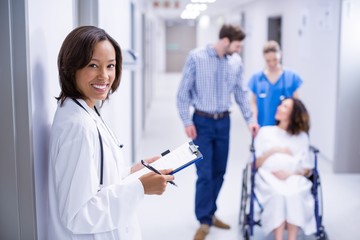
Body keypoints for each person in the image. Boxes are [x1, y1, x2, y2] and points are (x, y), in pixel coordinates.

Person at [48, 26, 175, 239]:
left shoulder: (87, 110)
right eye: (93, 65)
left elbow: (97, 180)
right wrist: (140, 187)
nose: (104, 76)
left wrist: (134, 172)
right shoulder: (78, 126)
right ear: (70, 68)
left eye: (111, 66)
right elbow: (78, 215)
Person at [176, 24, 259, 240]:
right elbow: (183, 93)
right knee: (204, 173)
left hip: (224, 123)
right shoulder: (197, 57)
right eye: (237, 45)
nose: (239, 50)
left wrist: (250, 119)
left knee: (219, 171)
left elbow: (241, 93)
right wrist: (187, 121)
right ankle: (204, 220)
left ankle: (211, 213)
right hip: (201, 122)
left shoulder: (235, 62)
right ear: (225, 40)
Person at [254, 98, 316, 240]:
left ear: (293, 113)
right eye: (281, 104)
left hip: (293, 176)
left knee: (294, 193)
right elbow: (254, 165)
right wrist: (274, 150)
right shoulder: (265, 132)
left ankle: (292, 238)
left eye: (285, 106)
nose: (279, 107)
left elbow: (307, 168)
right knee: (278, 194)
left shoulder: (301, 137)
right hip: (268, 176)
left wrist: (290, 173)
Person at [248, 40, 303, 127]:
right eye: (268, 61)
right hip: (263, 126)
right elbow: (253, 103)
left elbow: (296, 103)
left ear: (280, 55)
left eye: (275, 59)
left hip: (285, 128)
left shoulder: (291, 76)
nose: (272, 63)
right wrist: (253, 121)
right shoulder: (257, 78)